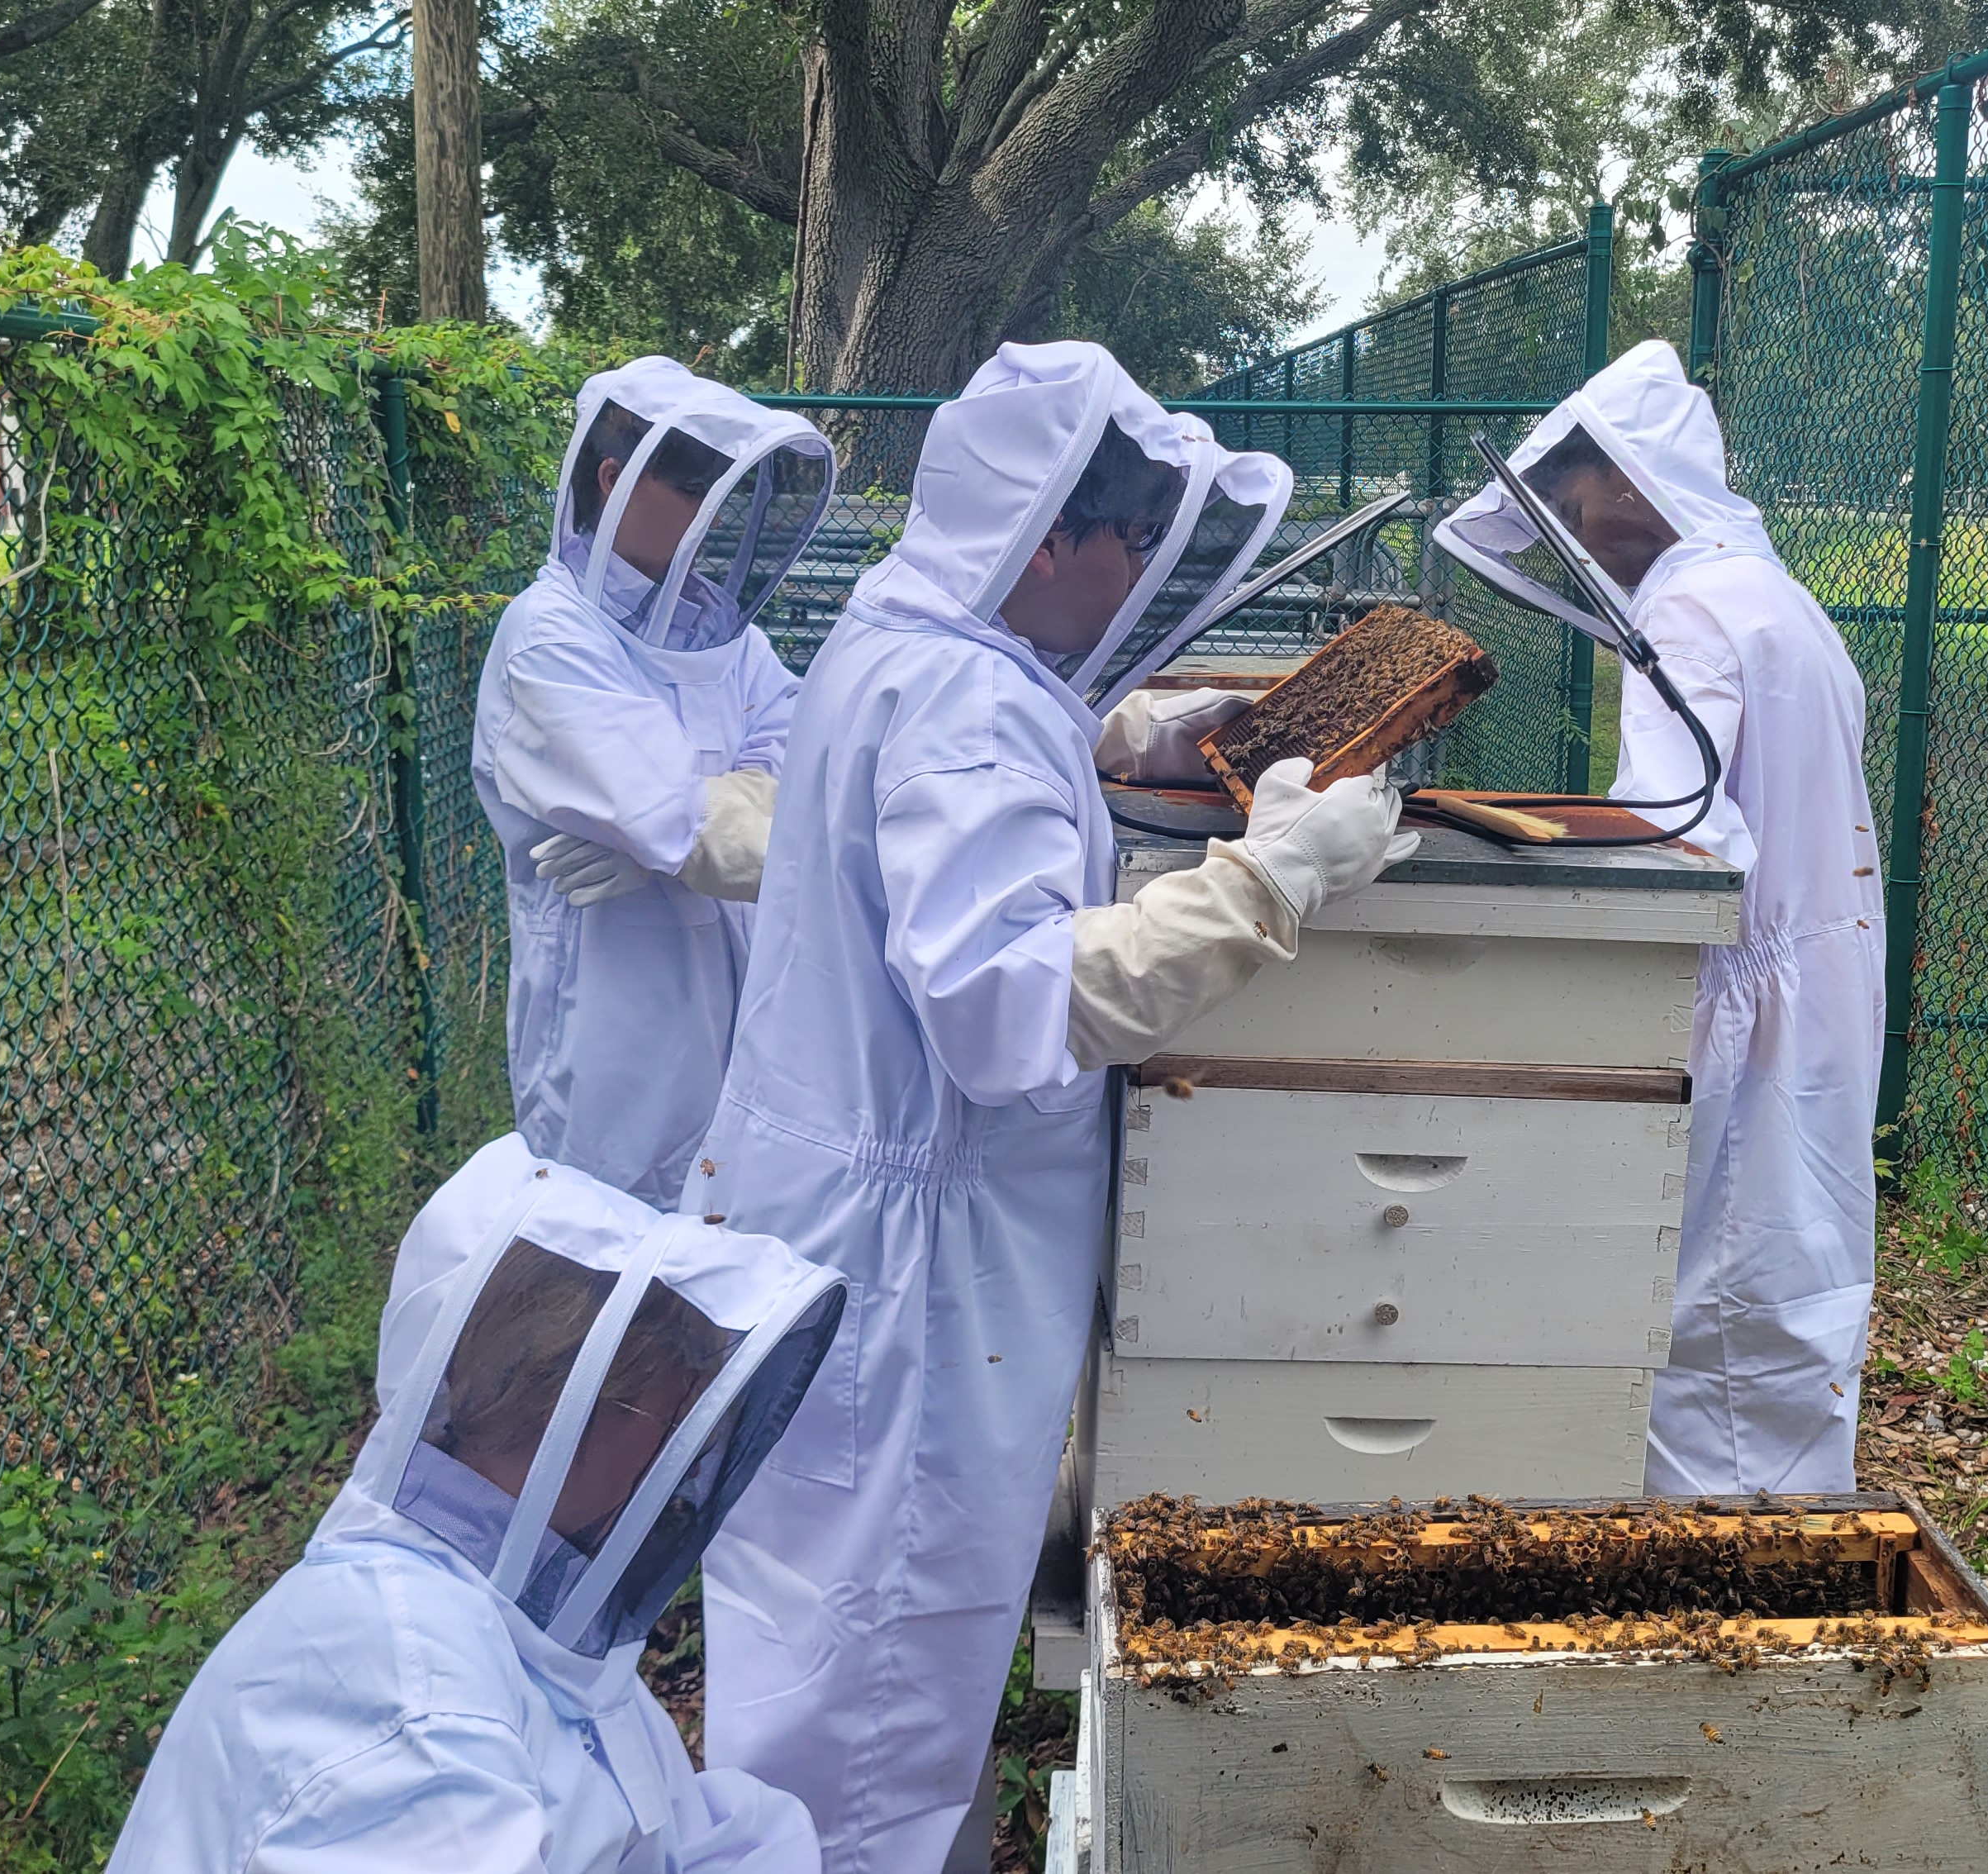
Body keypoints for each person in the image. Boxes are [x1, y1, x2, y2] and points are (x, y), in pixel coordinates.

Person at [686, 341, 1414, 1873]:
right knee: (883, 1661)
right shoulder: (962, 704)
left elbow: (964, 753)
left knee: (834, 1635)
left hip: (840, 1211)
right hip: (916, 1274)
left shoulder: (899, 631)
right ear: (1045, 535)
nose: (1142, 566)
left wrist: (1136, 731)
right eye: (1130, 538)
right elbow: (1013, 1010)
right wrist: (1272, 875)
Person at [107, 1134, 847, 1871]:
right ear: (573, 1408)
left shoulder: (516, 1622)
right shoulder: (402, 1689)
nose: (678, 1462)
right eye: (673, 1421)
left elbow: (679, 1836)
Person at [1437, 337, 1885, 1496]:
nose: (1565, 526)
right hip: (1824, 976)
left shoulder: (1688, 616)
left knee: (1710, 1291)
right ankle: (1782, 1529)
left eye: (1572, 493)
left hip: (1744, 996)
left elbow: (1675, 850)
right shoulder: (1776, 601)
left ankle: (1722, 1578)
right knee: (1796, 1264)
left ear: (1630, 476)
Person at [472, 358, 835, 1208]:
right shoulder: (548, 639)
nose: (711, 522)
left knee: (725, 1230)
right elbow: (665, 810)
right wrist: (691, 827)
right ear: (616, 481)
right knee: (600, 1240)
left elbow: (801, 747)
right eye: (695, 495)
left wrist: (683, 834)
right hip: (609, 1009)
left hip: (736, 988)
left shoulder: (718, 628)